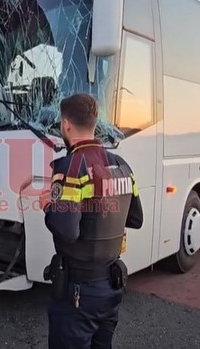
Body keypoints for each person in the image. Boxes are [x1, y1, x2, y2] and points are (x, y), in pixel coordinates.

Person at [43, 93, 144, 349]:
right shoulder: (122, 165)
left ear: (66, 124)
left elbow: (67, 231)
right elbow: (136, 218)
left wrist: (48, 205)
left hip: (78, 293)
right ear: (94, 122)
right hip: (111, 289)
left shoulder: (69, 167)